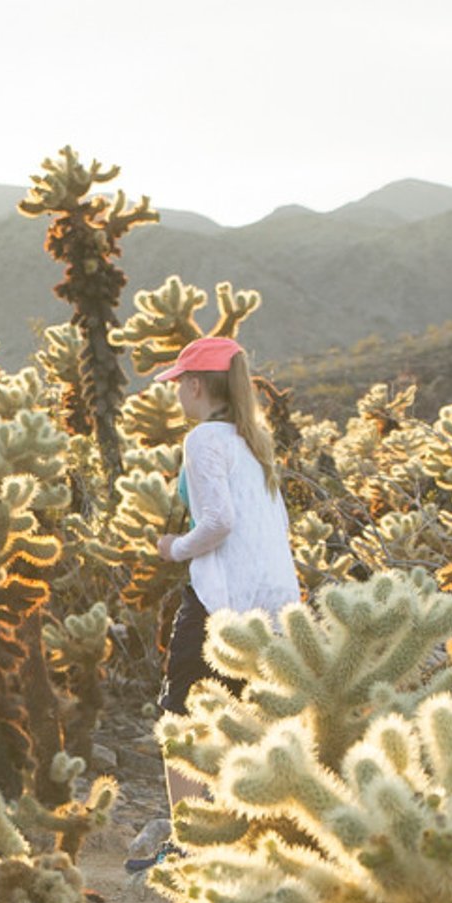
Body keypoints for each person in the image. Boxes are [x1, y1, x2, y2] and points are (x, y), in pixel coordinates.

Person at [136, 336, 299, 864]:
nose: (177, 395)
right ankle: (250, 840)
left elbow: (219, 522)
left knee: (181, 713)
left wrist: (174, 548)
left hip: (222, 600)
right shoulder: (254, 441)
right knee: (248, 718)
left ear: (196, 385)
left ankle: (186, 846)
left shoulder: (204, 438)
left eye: (180, 384)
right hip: (274, 603)